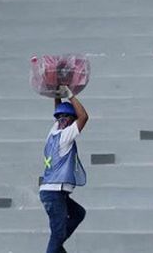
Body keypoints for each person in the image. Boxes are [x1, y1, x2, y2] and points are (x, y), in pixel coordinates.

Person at [40, 85, 89, 253]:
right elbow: (84, 116)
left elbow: (58, 111)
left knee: (78, 213)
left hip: (52, 191)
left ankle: (57, 249)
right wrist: (71, 95)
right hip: (54, 191)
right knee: (57, 234)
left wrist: (57, 95)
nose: (62, 120)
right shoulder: (65, 136)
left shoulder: (53, 132)